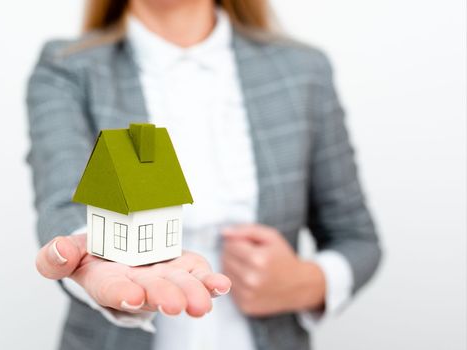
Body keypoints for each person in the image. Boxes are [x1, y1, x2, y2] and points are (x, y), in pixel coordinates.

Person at [26, 0, 382, 349]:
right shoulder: (67, 68)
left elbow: (356, 237)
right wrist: (91, 251)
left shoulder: (304, 71)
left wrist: (306, 281)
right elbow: (64, 198)